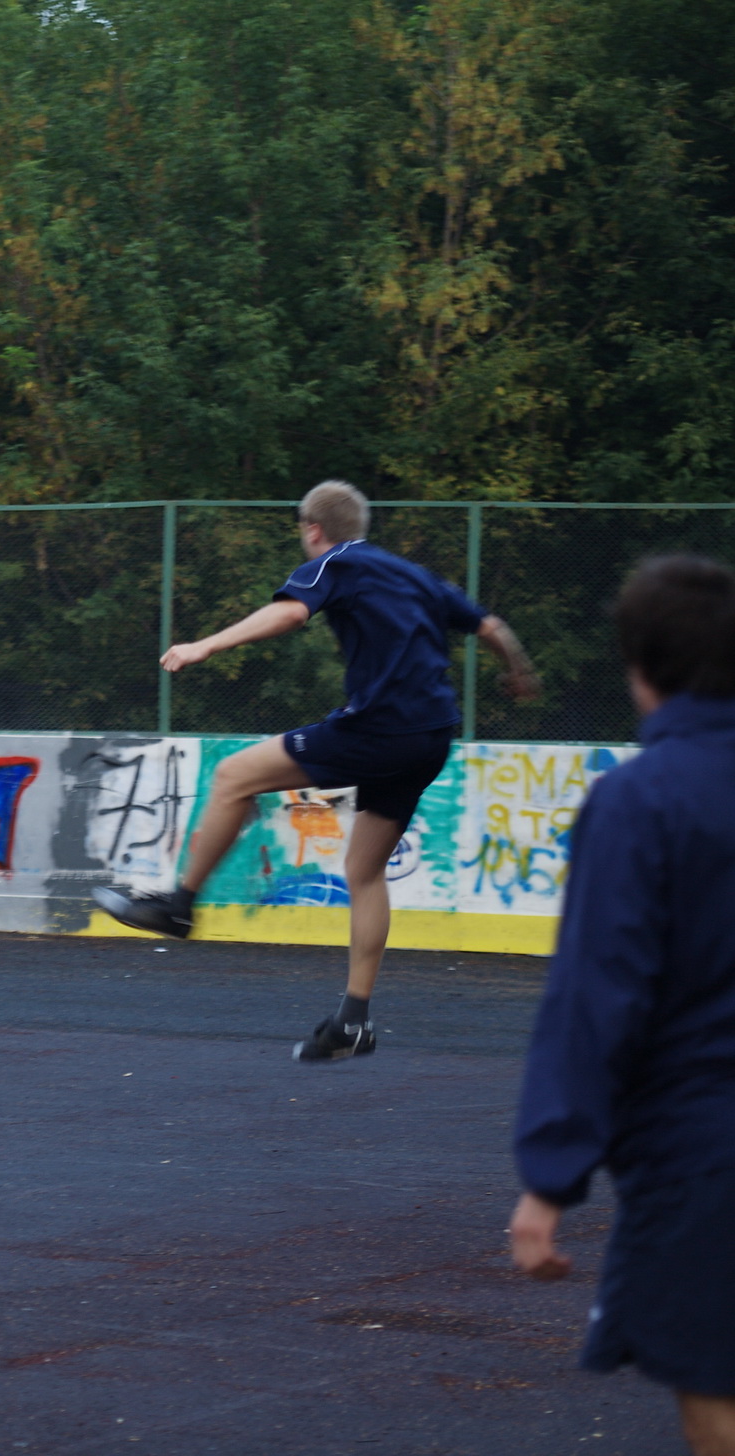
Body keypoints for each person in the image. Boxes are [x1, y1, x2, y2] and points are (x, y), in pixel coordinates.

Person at [92, 480, 539, 1059]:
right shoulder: (415, 575)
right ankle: (353, 1021)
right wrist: (518, 672)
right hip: (431, 737)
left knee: (233, 777)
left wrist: (206, 646)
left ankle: (179, 906)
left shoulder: (336, 560)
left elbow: (291, 612)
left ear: (313, 529)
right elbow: (492, 628)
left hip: (380, 729)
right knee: (364, 871)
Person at [509, 556, 735, 1456]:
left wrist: (549, 1178)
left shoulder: (641, 799)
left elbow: (597, 999)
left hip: (705, 1149)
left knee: (716, 1387)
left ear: (640, 667)